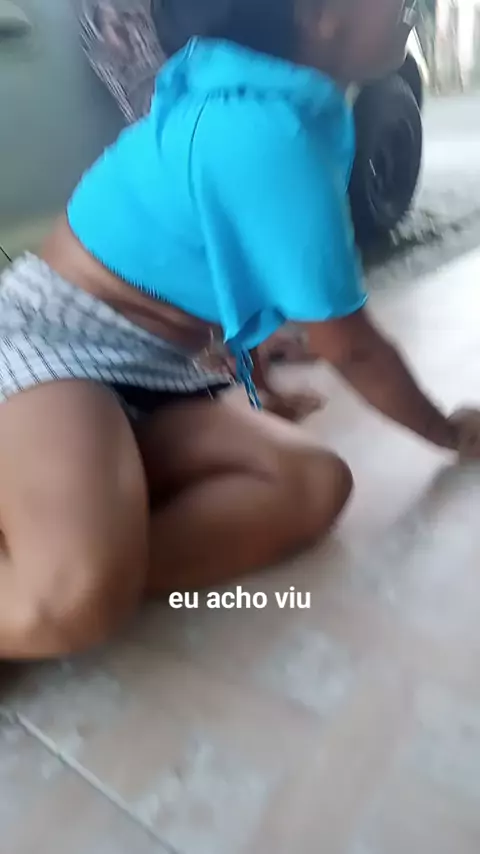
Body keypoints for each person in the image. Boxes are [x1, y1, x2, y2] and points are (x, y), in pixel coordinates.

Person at [0, 0, 477, 660]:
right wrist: (446, 431)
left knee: (311, 486)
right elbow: (352, 347)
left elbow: (218, 253)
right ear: (317, 14)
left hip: (153, 369)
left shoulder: (278, 105)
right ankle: (50, 580)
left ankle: (78, 550)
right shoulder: (263, 131)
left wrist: (246, 347)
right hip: (55, 343)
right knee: (72, 598)